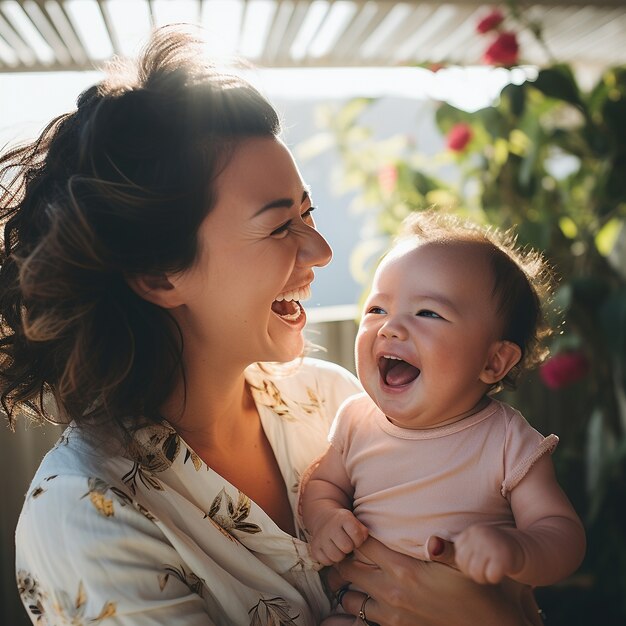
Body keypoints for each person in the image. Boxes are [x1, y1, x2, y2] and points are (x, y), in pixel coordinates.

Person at [1, 26, 546, 626]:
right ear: (159, 275)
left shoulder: (334, 400)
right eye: (279, 225)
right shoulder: (87, 516)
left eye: (307, 212)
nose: (321, 251)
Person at [300, 211, 586, 625]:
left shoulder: (506, 440)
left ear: (494, 360)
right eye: (377, 308)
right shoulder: (356, 419)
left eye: (428, 313)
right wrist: (326, 516)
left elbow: (561, 532)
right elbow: (322, 483)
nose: (391, 328)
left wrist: (517, 549)